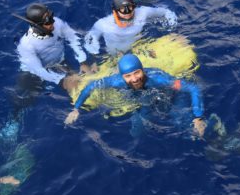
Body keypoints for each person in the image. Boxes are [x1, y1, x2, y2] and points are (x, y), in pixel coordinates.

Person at [65, 54, 207, 137]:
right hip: (143, 101)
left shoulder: (158, 78)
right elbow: (91, 86)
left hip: (169, 97)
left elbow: (193, 88)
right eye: (128, 76)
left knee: (182, 123)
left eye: (137, 73)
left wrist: (198, 116)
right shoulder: (115, 81)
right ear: (122, 76)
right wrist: (76, 109)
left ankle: (216, 132)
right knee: (136, 133)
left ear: (143, 70)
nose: (134, 79)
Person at [16, 3, 93, 86]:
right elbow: (38, 70)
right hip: (32, 74)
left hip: (59, 63)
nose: (52, 21)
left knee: (83, 81)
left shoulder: (57, 23)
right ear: (36, 26)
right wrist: (62, 81)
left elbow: (73, 38)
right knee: (25, 96)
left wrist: (83, 62)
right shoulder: (26, 45)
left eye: (50, 16)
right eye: (47, 21)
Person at [84, 0, 178, 55]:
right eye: (123, 10)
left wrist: (172, 25)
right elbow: (90, 39)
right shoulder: (103, 24)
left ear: (134, 6)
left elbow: (166, 12)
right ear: (115, 10)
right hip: (116, 55)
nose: (127, 13)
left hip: (139, 48)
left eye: (130, 8)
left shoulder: (143, 13)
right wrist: (94, 55)